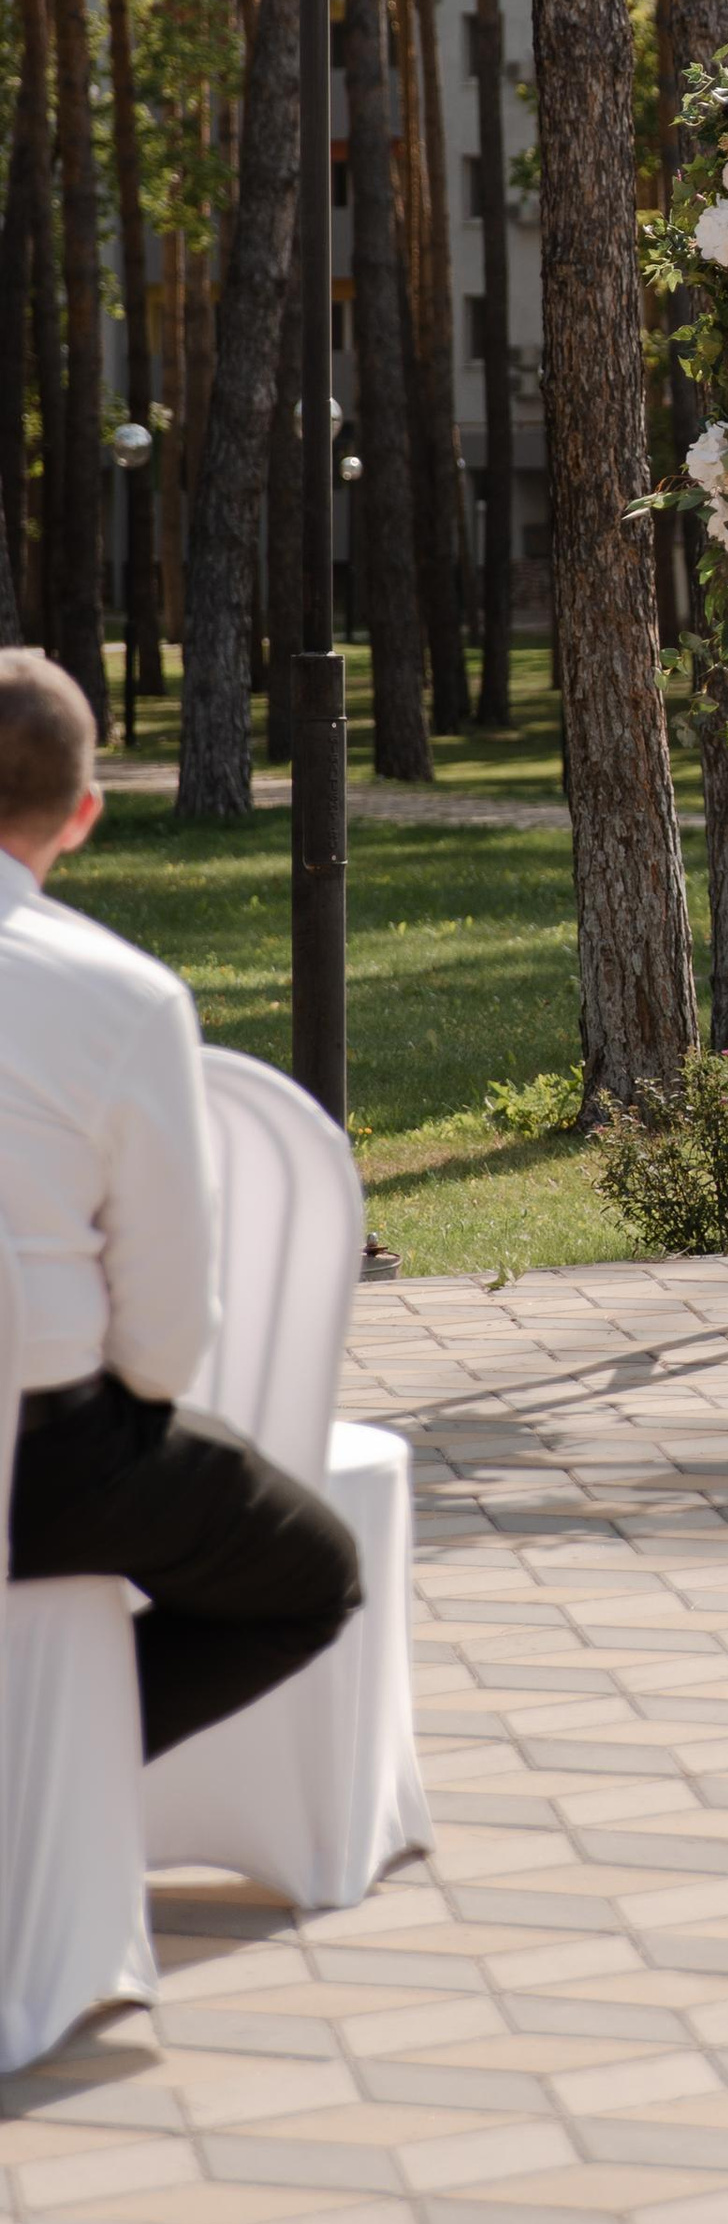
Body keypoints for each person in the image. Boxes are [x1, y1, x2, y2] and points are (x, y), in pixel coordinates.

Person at [0, 647, 361, 1757]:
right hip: (39, 1467)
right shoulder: (122, 998)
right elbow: (163, 1344)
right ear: (85, 815)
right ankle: (49, 1780)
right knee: (313, 1576)